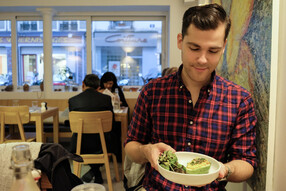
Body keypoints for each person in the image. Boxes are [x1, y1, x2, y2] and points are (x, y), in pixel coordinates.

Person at [124, 3, 257, 191]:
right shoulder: (152, 92)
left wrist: (224, 170)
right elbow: (131, 146)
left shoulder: (239, 100)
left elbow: (247, 162)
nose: (202, 59)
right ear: (180, 41)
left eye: (213, 51)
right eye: (194, 48)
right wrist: (146, 151)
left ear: (224, 46)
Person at [69, 74, 116, 184]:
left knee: (82, 138)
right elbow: (111, 123)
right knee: (110, 137)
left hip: (80, 145)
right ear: (99, 87)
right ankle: (96, 172)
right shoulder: (106, 99)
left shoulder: (73, 100)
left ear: (83, 84)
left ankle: (94, 172)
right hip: (102, 144)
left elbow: (73, 127)